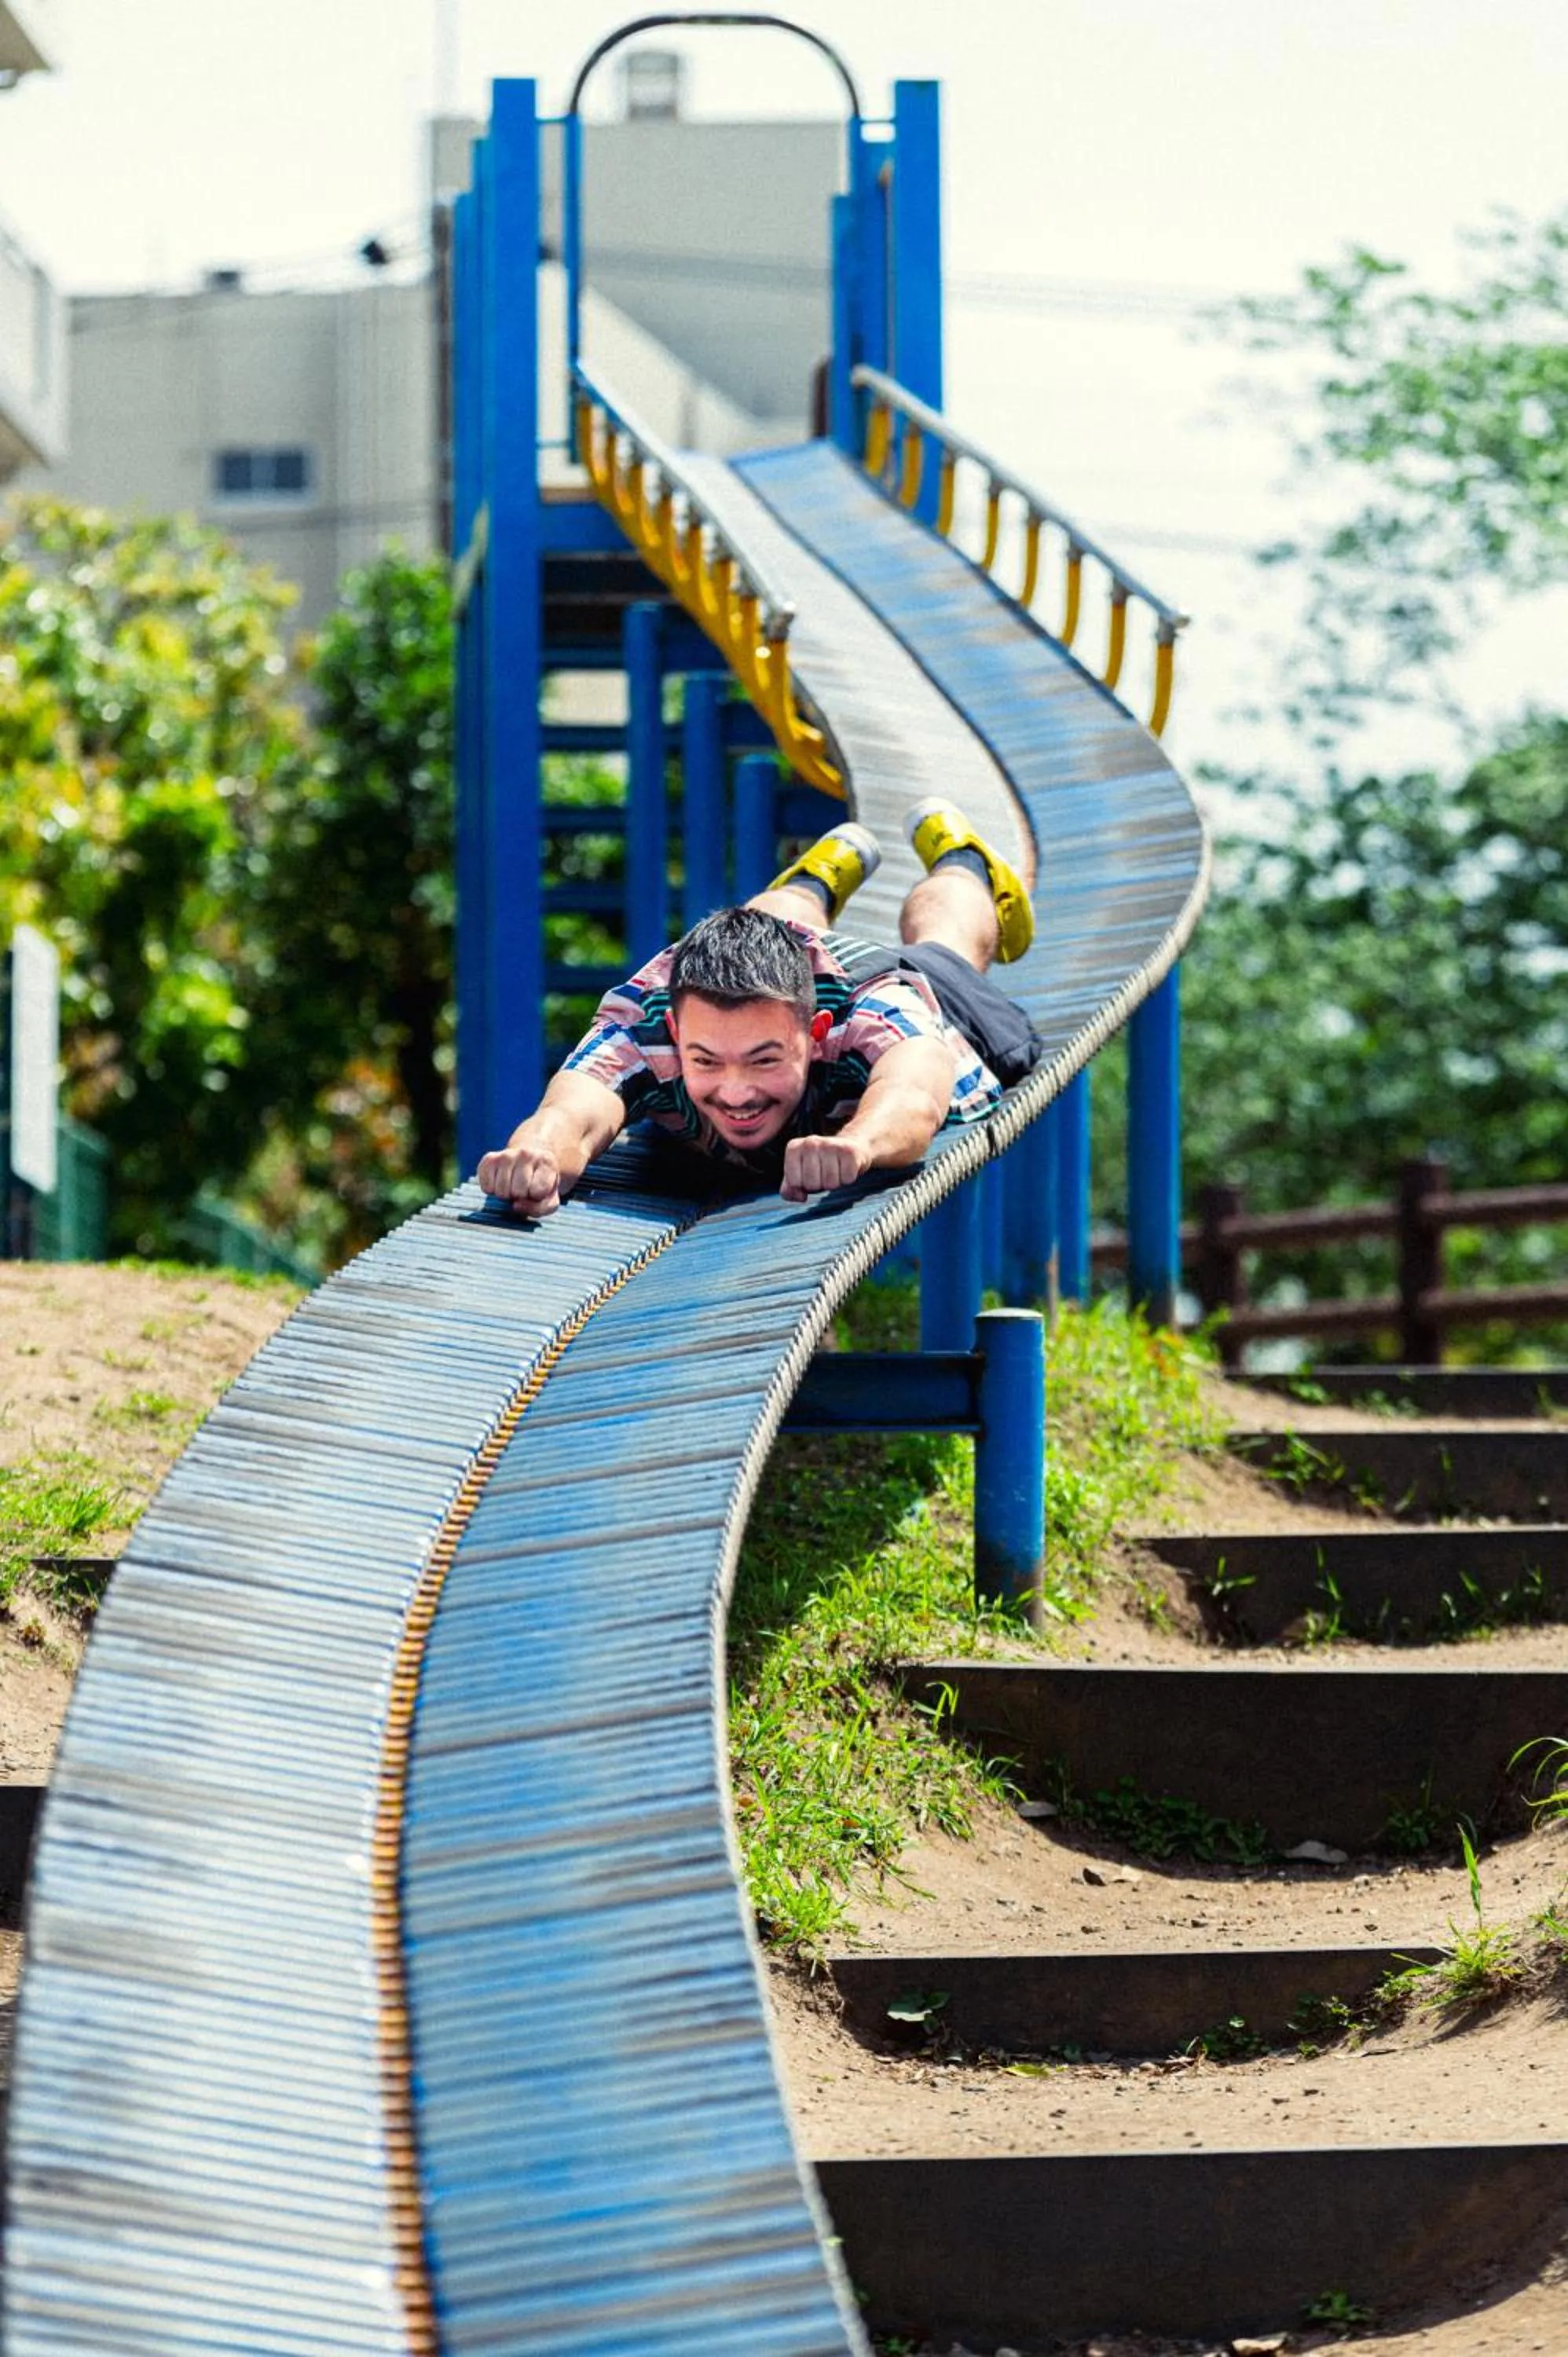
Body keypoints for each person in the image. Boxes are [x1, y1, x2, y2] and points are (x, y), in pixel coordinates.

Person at [476, 797, 1043, 1217]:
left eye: (764, 1061)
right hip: (781, 952)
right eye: (706, 1062)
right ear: (675, 1034)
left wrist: (855, 1144)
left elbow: (914, 1096)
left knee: (945, 942)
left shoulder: (875, 1010)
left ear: (817, 1032)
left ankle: (965, 861)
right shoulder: (643, 1022)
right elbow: (573, 1111)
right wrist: (536, 1154)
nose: (737, 1091)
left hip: (921, 989)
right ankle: (817, 879)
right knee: (767, 928)